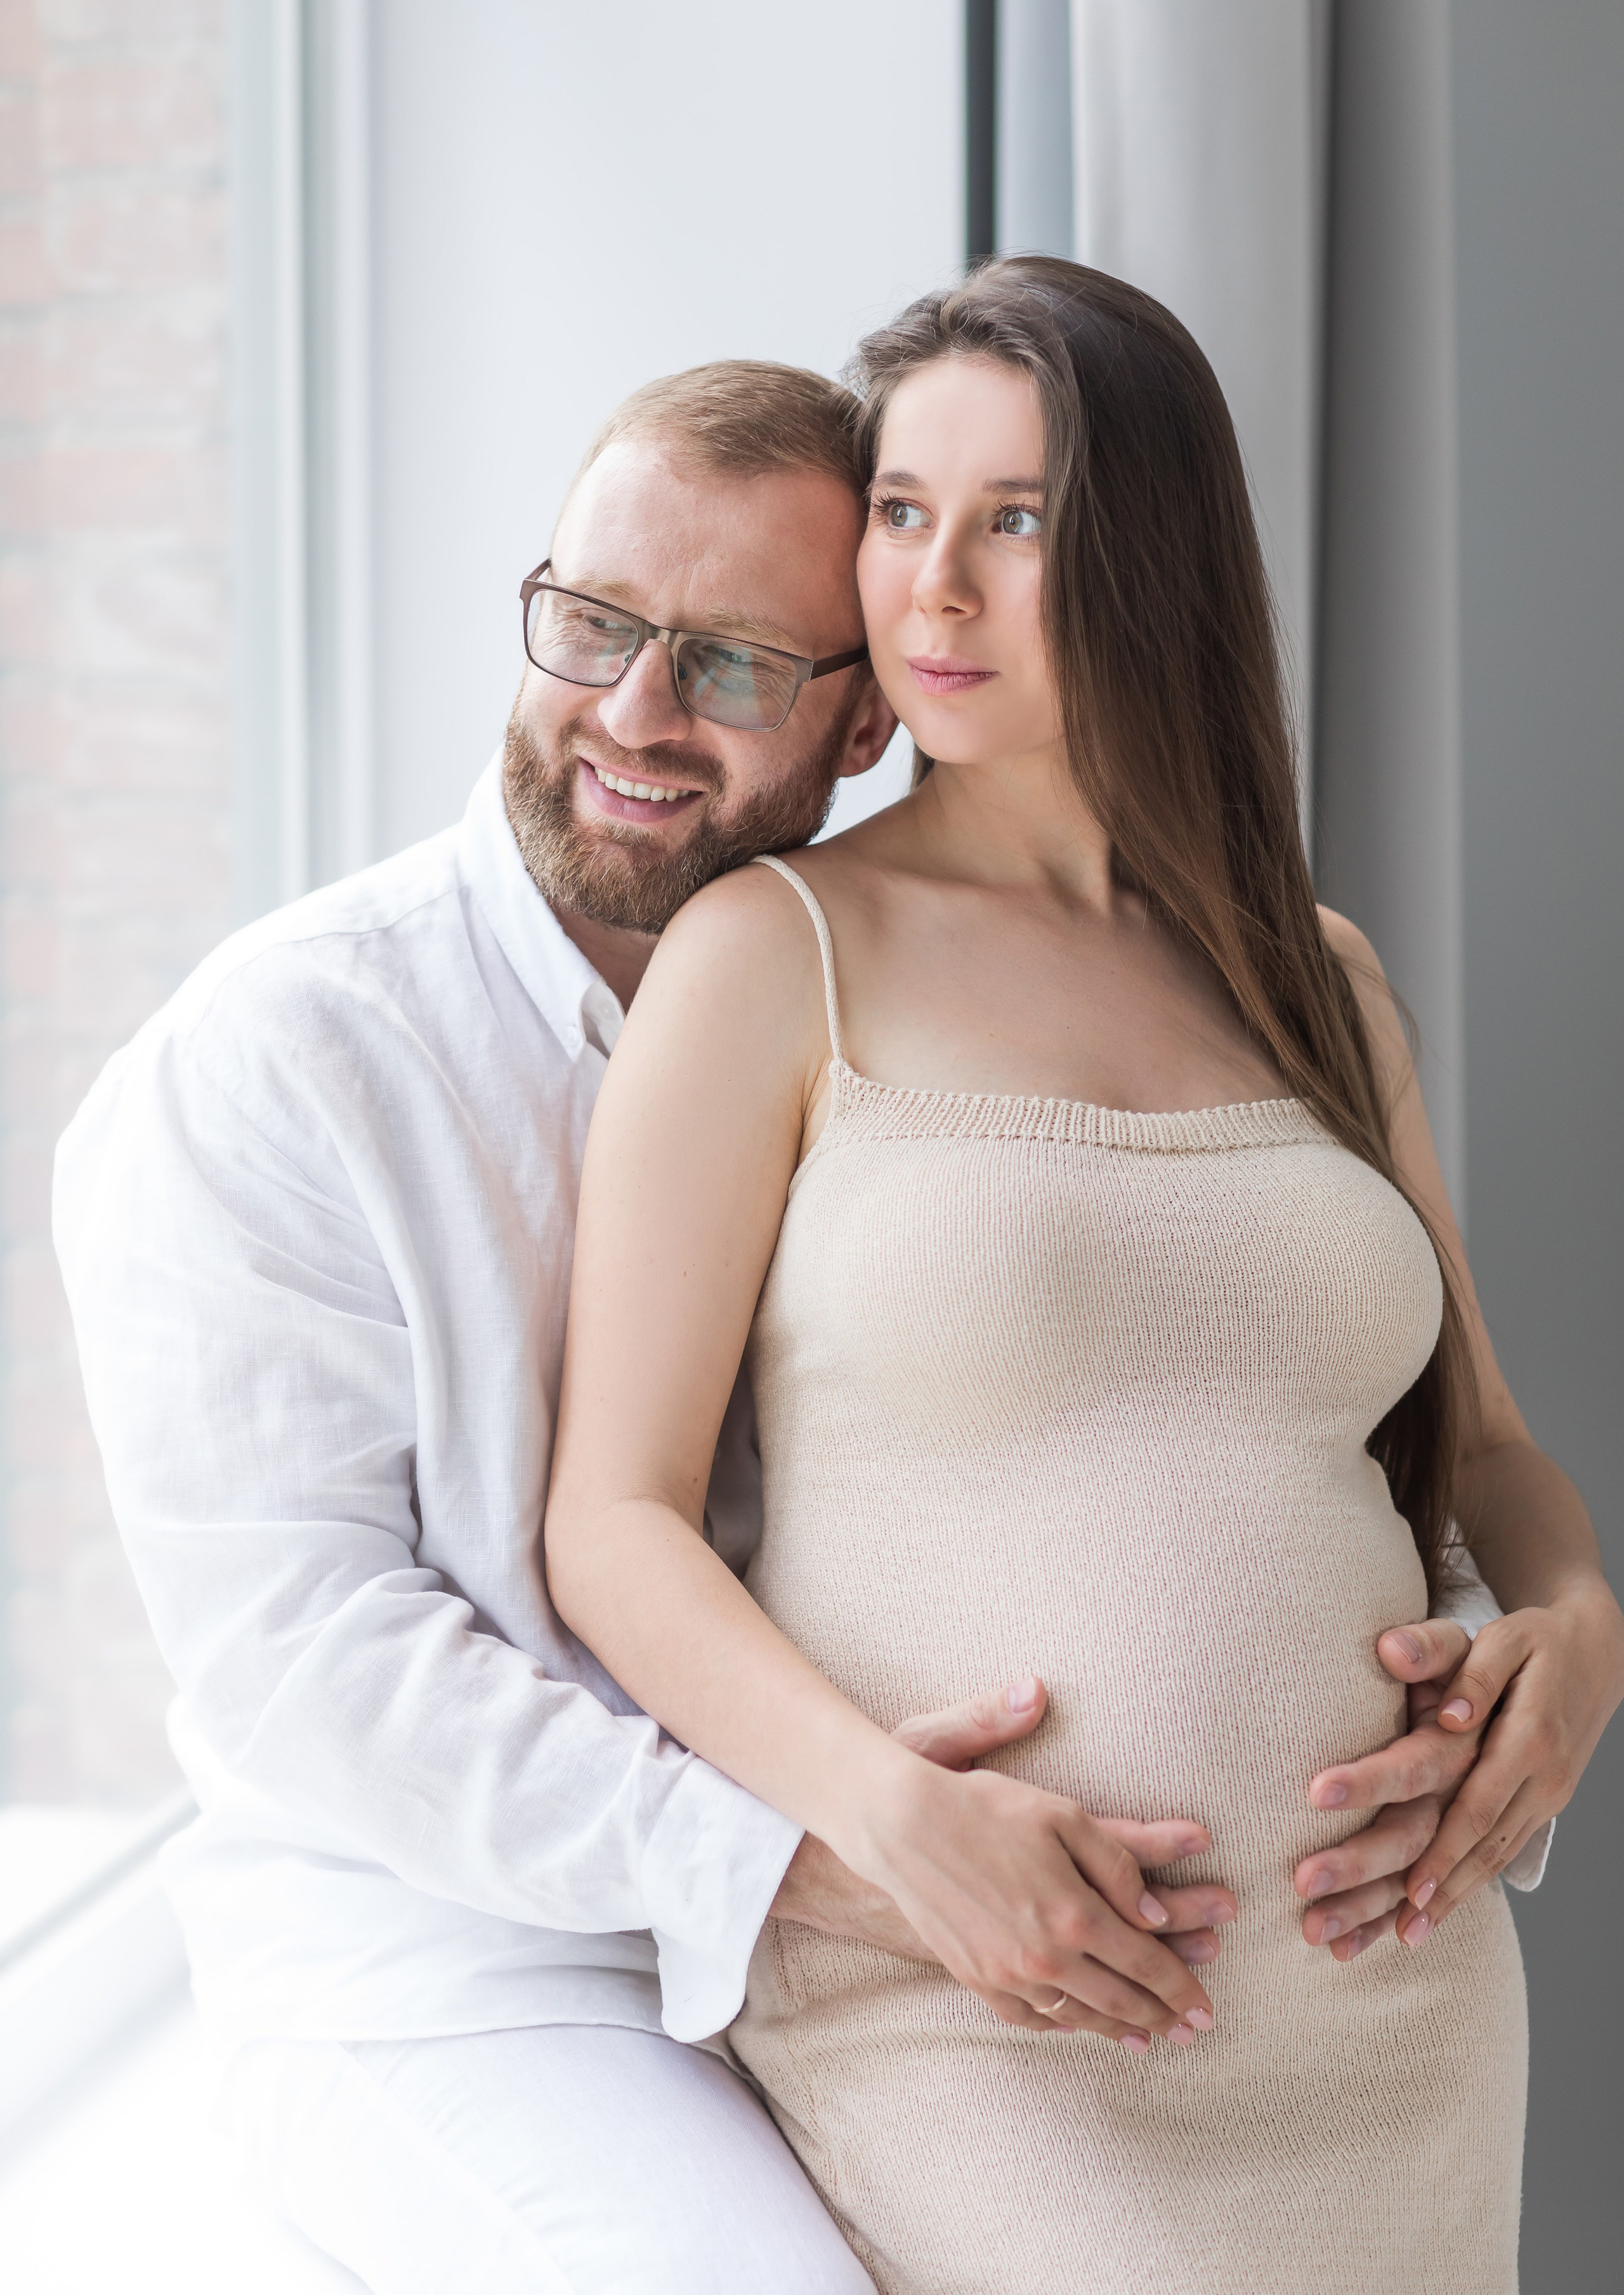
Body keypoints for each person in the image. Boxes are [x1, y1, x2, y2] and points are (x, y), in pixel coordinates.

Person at [53, 353, 1590, 2295]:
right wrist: (825, 1858)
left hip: (1131, 1961)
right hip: (482, 1965)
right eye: (593, 624)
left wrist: (1549, 1629)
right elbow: (314, 1667)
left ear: (854, 710)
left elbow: (1324, 1422)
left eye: (728, 663)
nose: (631, 710)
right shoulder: (281, 1066)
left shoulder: (1119, 975)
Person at [544, 265, 1624, 2294]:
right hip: (991, 2006)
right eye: (900, 512)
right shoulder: (773, 957)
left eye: (1017, 519)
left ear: (1157, 553)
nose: (934, 587)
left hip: (1393, 2010)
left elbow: (1484, 1443)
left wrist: (1579, 1624)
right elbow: (614, 1522)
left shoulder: (1320, 975)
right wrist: (884, 1821)